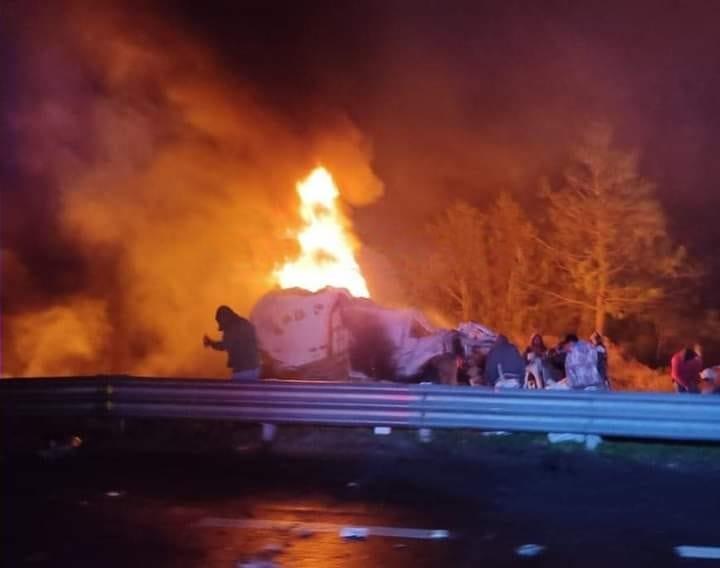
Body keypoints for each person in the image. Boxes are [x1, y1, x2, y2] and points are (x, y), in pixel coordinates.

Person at [204, 305, 260, 380]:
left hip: (243, 370)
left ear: (224, 319)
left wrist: (211, 343)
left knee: (238, 390)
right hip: (255, 368)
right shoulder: (244, 323)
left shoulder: (231, 328)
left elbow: (224, 345)